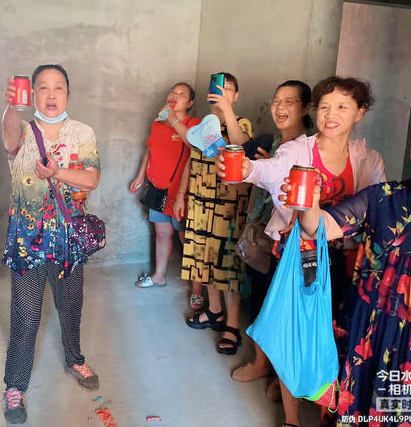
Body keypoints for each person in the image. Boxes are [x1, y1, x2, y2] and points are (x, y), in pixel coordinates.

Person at [223, 76, 385, 427]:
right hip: (297, 258)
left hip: (343, 264)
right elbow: (271, 169)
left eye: (342, 107)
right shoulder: (298, 150)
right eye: (325, 106)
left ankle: (326, 410)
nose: (331, 114)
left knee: (332, 336)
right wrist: (248, 168)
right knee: (291, 334)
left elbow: (377, 208)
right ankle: (292, 418)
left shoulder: (368, 159)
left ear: (360, 112)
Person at [290, 97, 411, 427]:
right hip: (366, 337)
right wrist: (309, 202)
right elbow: (318, 227)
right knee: (357, 414)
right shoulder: (382, 198)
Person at [1, 64, 101, 424]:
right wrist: (11, 107)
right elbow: (9, 140)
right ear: (33, 94)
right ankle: (15, 385)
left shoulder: (82, 133)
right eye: (42, 87)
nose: (51, 94)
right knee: (26, 315)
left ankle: (75, 359)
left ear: (68, 94)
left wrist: (57, 172)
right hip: (27, 241)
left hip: (67, 240)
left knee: (71, 305)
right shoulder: (24, 130)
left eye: (58, 87)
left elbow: (91, 178)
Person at [230, 81, 314, 396]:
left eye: (289, 101)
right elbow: (249, 166)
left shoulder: (310, 146)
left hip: (293, 239)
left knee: (287, 309)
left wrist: (265, 169)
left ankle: (283, 377)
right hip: (261, 231)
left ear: (305, 108)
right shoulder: (271, 141)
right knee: (260, 297)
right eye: (277, 100)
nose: (279, 107)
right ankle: (260, 363)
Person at [178, 72, 253, 355]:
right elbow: (191, 159)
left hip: (227, 207)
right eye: (218, 89)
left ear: (236, 96)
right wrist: (182, 196)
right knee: (204, 261)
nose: (221, 93)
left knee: (228, 267)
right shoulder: (201, 126)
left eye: (228, 89)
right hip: (200, 201)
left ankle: (232, 325)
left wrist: (227, 110)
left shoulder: (241, 123)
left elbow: (241, 145)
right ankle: (214, 311)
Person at [129, 82, 199, 289]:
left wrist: (173, 119)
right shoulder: (158, 124)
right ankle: (159, 275)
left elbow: (194, 145)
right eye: (173, 92)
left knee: (186, 238)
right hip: (158, 189)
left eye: (182, 94)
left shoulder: (194, 124)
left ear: (190, 103)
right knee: (162, 234)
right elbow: (150, 149)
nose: (175, 95)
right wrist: (140, 175)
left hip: (181, 193)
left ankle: (197, 288)